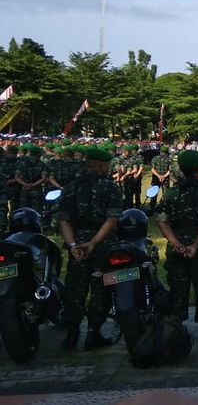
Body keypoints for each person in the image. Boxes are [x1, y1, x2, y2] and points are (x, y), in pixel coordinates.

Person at [156, 150, 198, 347]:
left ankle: (175, 336)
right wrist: (195, 245)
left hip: (176, 249)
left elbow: (162, 221)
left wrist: (176, 243)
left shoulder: (170, 193)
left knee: (177, 291)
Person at [58, 147, 122, 350]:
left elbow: (63, 220)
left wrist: (73, 245)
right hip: (103, 245)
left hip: (77, 243)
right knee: (102, 288)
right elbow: (112, 220)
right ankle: (94, 334)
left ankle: (72, 334)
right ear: (101, 166)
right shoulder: (110, 187)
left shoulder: (70, 187)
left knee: (75, 289)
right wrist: (93, 243)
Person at [15, 144, 47, 211]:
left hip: (24, 188)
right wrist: (33, 185)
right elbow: (43, 178)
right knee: (37, 210)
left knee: (24, 209)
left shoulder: (22, 163)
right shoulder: (42, 165)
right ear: (38, 154)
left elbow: (17, 177)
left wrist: (25, 184)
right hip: (36, 189)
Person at [149, 145, 173, 210]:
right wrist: (164, 176)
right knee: (166, 193)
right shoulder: (169, 159)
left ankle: (152, 207)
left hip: (156, 178)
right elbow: (170, 170)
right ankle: (164, 206)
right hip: (165, 179)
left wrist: (158, 176)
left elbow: (152, 169)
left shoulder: (155, 158)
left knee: (154, 192)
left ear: (160, 151)